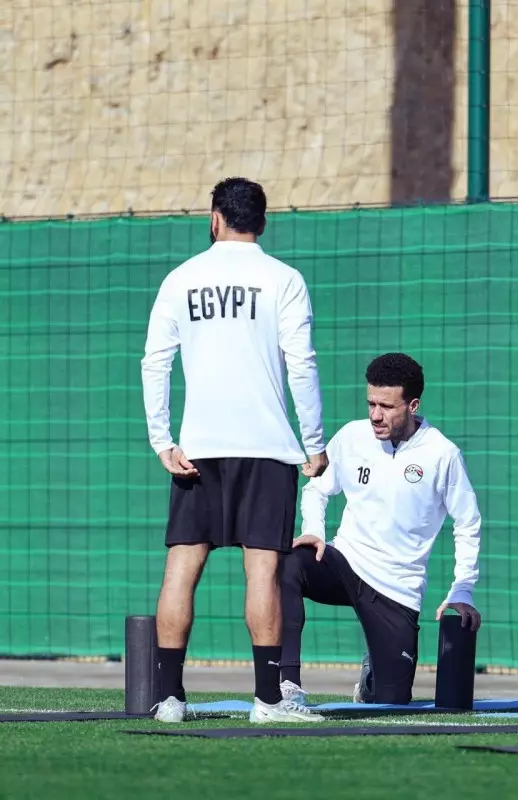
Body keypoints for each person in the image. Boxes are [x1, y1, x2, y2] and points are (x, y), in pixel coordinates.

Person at [141, 177, 327, 724]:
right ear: (262, 222)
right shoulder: (284, 279)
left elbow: (155, 362)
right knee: (262, 572)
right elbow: (302, 364)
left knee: (181, 568)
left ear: (215, 218)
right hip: (266, 448)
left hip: (199, 448)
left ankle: (170, 699)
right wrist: (314, 443)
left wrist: (162, 440)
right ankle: (268, 701)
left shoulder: (181, 278)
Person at [279, 352, 482, 705]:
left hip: (397, 589)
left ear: (412, 405)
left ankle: (372, 676)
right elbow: (316, 489)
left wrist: (462, 589)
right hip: (346, 562)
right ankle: (287, 685)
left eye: (386, 406)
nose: (375, 414)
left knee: (390, 702)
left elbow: (467, 522)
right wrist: (314, 530)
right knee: (289, 562)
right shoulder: (352, 436)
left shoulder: (442, 454)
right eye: (371, 403)